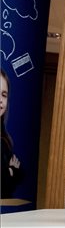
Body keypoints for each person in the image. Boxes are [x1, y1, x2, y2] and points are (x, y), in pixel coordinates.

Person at [1, 68, 23, 198]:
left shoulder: (4, 139)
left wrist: (10, 172)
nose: (0, 100)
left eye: (4, 95)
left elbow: (20, 174)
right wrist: (10, 170)